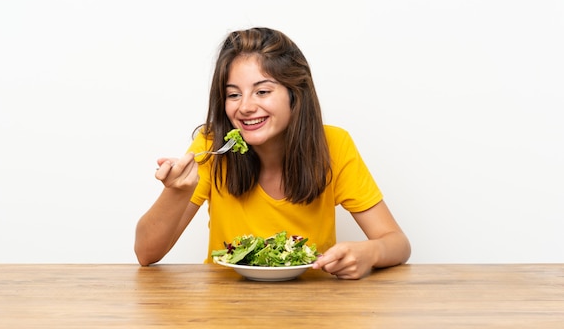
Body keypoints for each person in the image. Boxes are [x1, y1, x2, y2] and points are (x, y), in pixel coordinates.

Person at [134, 27, 410, 279]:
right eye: (233, 95)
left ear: (295, 94)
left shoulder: (333, 145)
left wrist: (369, 253)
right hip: (224, 309)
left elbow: (397, 243)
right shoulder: (212, 147)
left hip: (314, 309)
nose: (245, 107)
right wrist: (177, 191)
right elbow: (146, 253)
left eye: (262, 91)